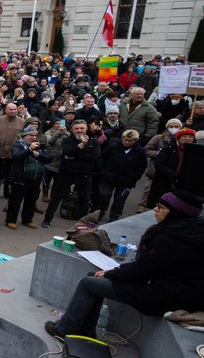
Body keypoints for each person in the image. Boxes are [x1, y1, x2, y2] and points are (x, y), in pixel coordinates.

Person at [45, 191, 204, 339]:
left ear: (176, 213)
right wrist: (115, 272)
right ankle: (86, 331)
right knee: (93, 278)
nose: (155, 210)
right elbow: (148, 267)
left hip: (164, 297)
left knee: (88, 283)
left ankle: (65, 330)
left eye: (161, 207)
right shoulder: (190, 232)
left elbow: (141, 272)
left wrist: (111, 273)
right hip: (178, 293)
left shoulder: (168, 239)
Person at [42, 119, 100, 228]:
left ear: (86, 128)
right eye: (76, 129)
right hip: (66, 173)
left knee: (84, 199)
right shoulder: (67, 140)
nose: (79, 131)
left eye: (82, 128)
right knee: (57, 197)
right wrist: (81, 145)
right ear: (72, 130)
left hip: (84, 174)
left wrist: (75, 156)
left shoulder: (94, 142)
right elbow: (68, 152)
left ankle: (81, 225)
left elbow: (94, 157)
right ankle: (47, 219)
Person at [96, 129, 148, 223]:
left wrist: (134, 177)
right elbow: (102, 158)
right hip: (109, 178)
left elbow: (142, 166)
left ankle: (114, 216)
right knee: (104, 196)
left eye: (130, 141)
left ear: (135, 141)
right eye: (125, 140)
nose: (127, 142)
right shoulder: (113, 147)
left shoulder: (140, 151)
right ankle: (99, 213)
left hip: (126, 181)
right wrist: (104, 171)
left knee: (120, 199)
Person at [6, 125, 51, 229]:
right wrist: (29, 149)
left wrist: (39, 155)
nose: (34, 137)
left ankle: (27, 219)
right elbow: (17, 158)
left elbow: (48, 158)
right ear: (25, 135)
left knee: (31, 200)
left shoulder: (39, 145)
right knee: (15, 200)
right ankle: (11, 220)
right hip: (21, 178)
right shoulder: (18, 145)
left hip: (36, 177)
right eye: (31, 135)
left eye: (35, 135)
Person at [0, 102, 23, 198]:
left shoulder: (22, 121)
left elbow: (24, 136)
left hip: (13, 154)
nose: (13, 111)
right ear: (6, 110)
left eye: (15, 109)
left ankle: (7, 193)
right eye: (10, 109)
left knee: (9, 175)